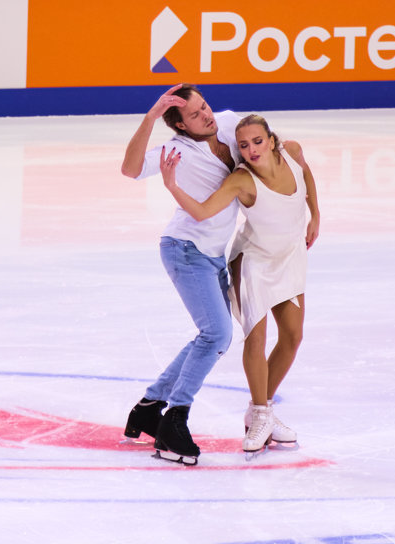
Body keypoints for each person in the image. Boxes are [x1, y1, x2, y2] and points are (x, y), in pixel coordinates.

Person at [160, 114, 320, 454]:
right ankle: (261, 413)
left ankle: (260, 410)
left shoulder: (292, 151)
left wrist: (315, 215)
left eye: (258, 141)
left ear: (272, 141)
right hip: (254, 263)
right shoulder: (241, 180)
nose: (251, 150)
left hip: (290, 256)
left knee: (292, 336)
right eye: (244, 145)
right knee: (257, 338)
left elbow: (306, 174)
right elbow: (202, 212)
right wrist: (172, 186)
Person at [120, 84, 242, 465]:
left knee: (214, 336)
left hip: (213, 254)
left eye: (204, 106)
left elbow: (268, 146)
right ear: (182, 126)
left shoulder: (229, 123)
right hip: (185, 250)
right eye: (194, 115)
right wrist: (151, 117)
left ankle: (148, 408)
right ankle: (174, 419)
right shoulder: (179, 151)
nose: (206, 116)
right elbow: (130, 169)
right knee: (216, 334)